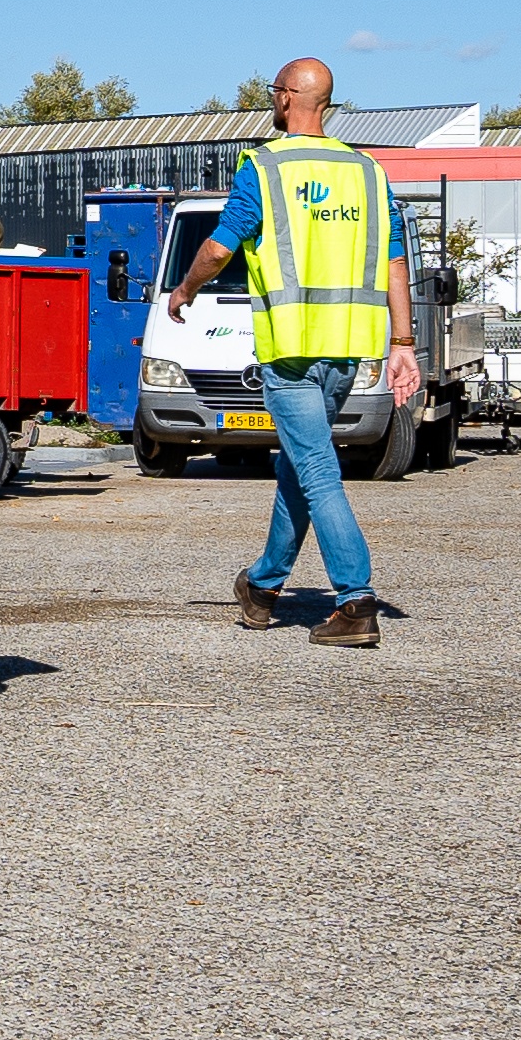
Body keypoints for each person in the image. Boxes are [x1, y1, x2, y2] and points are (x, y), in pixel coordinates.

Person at [159, 56, 418, 649]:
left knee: (318, 471)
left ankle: (355, 601)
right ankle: (264, 587)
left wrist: (184, 289)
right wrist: (403, 343)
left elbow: (221, 248)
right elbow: (395, 263)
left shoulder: (265, 166)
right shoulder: (368, 172)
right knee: (298, 468)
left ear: (284, 99)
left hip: (291, 349)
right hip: (346, 350)